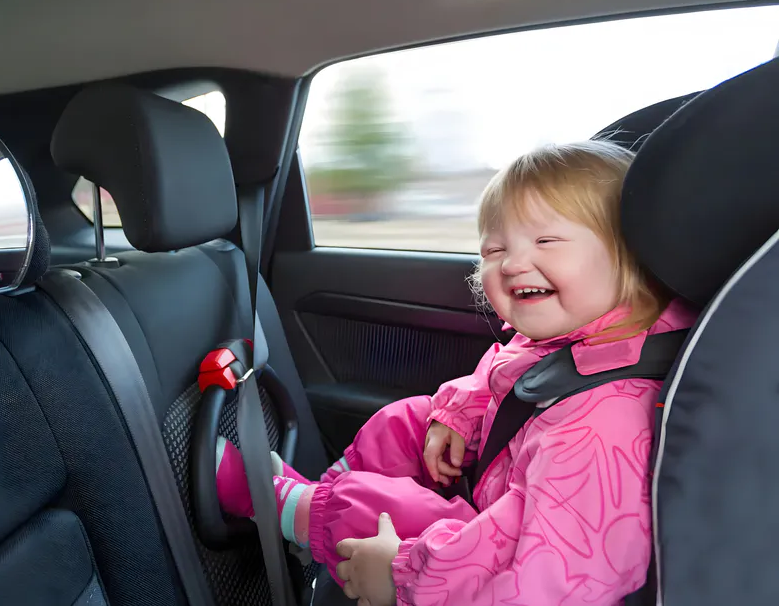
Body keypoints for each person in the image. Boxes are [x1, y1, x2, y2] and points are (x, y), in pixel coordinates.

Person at [214, 141, 697, 606]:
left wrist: (398, 576)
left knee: (388, 511)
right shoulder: (584, 337)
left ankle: (275, 505)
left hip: (497, 566)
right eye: (491, 251)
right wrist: (460, 413)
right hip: (506, 493)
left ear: (631, 254)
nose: (511, 263)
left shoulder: (602, 430)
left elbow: (536, 583)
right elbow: (506, 372)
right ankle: (317, 507)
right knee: (409, 419)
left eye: (546, 240)